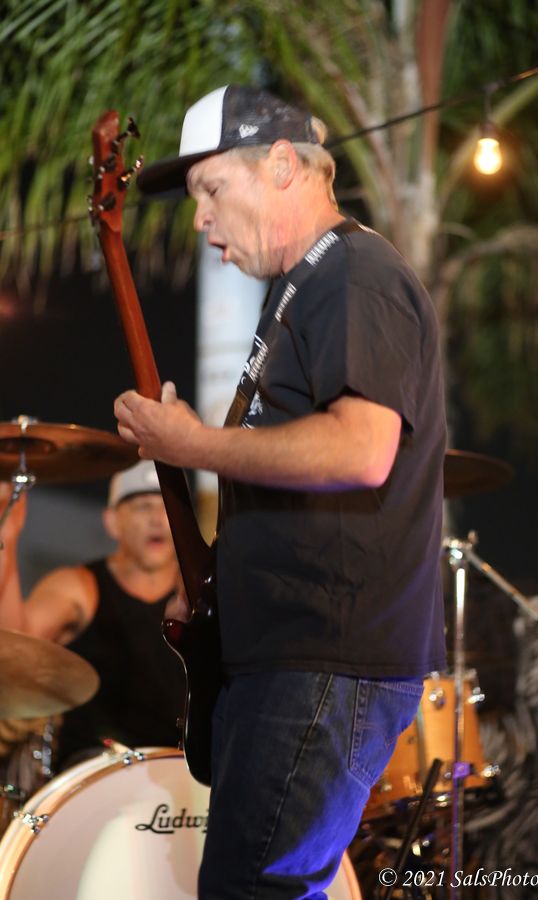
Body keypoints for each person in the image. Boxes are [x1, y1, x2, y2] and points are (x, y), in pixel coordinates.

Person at [116, 84, 447, 899]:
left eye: (210, 189)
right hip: (296, 660)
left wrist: (190, 443)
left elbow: (363, 449)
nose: (200, 220)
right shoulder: (305, 286)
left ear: (281, 164)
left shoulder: (356, 274)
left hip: (323, 660)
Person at [0, 461, 185, 769]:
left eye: (168, 507)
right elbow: (16, 648)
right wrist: (7, 536)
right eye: (142, 507)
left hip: (183, 774)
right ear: (112, 521)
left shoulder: (203, 595)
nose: (158, 519)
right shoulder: (80, 587)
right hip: (93, 776)